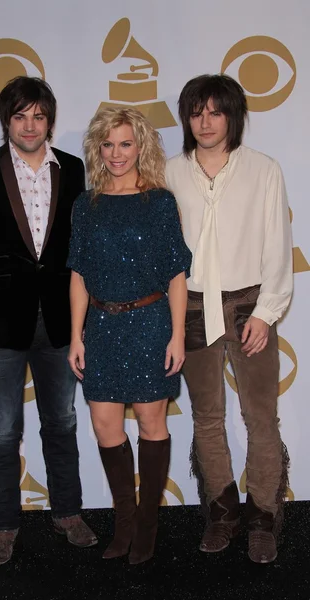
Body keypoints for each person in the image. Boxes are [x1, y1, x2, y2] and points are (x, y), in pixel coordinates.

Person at [0, 76, 97, 566]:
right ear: (6, 122)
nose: (30, 125)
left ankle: (68, 514)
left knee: (62, 422)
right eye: (20, 116)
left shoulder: (75, 170)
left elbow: (83, 251)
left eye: (38, 116)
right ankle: (3, 524)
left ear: (49, 121)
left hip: (61, 323)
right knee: (1, 429)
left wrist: (87, 320)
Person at [166, 74, 293, 564]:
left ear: (233, 116)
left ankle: (264, 515)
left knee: (260, 415)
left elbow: (277, 246)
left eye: (215, 112)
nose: (205, 121)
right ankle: (222, 511)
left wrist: (266, 312)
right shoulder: (171, 173)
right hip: (193, 305)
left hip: (249, 305)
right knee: (207, 416)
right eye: (196, 112)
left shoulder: (263, 169)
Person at [67, 106, 192, 565]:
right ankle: (124, 523)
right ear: (98, 149)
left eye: (126, 143)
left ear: (141, 147)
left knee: (152, 423)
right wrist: (77, 335)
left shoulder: (159, 201)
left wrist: (177, 335)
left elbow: (177, 274)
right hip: (100, 328)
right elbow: (78, 274)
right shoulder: (87, 204)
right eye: (108, 144)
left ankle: (147, 527)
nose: (117, 153)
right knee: (105, 427)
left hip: (148, 324)